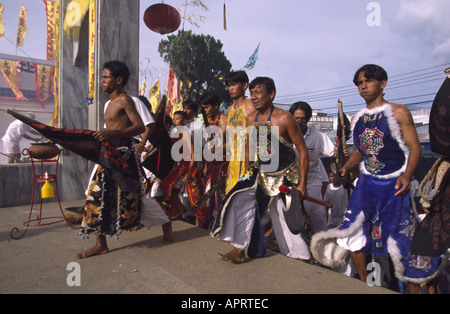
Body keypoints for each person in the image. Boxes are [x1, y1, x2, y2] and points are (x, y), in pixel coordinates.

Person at [310, 64, 444, 293]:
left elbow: (415, 148)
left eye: (368, 81)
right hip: (367, 184)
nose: (363, 86)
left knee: (403, 241)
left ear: (382, 84)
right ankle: (366, 286)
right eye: (360, 83)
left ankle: (418, 288)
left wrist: (407, 175)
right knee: (351, 234)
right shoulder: (359, 119)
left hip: (395, 184)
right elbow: (360, 151)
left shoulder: (399, 112)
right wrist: (348, 168)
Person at [211, 77, 310, 263]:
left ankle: (302, 255)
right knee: (242, 202)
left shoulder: (284, 118)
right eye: (252, 94)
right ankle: (239, 251)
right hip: (263, 173)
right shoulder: (251, 119)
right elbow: (249, 149)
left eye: (258, 93)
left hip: (286, 174)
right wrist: (246, 175)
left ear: (271, 94)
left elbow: (303, 150)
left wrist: (303, 185)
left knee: (286, 216)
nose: (254, 97)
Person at [76, 60, 146, 258]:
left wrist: (111, 134)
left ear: (118, 80)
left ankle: (165, 224)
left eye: (106, 77)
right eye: (103, 77)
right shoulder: (108, 104)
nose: (102, 81)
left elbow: (140, 127)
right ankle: (101, 243)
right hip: (107, 157)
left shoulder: (125, 100)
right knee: (96, 198)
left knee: (135, 203)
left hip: (122, 158)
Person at [289, 102, 335, 233]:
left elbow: (333, 152)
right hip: (290, 181)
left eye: (302, 118)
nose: (299, 121)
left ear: (308, 119)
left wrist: (341, 152)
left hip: (312, 180)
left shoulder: (318, 137)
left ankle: (323, 242)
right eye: (296, 118)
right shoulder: (284, 135)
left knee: (315, 210)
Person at [160, 111, 206, 224]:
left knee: (196, 197)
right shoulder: (174, 133)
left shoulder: (185, 133)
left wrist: (190, 171)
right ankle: (181, 208)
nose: (174, 121)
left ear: (184, 121)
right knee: (166, 186)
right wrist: (174, 167)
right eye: (174, 119)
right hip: (181, 166)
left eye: (177, 119)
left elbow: (194, 154)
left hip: (190, 166)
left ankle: (202, 221)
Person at [198, 91, 228, 228]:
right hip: (212, 164)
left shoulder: (224, 119)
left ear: (216, 106)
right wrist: (205, 165)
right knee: (209, 194)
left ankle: (222, 225)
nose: (205, 110)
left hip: (225, 164)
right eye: (203, 107)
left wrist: (216, 146)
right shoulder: (207, 121)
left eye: (207, 107)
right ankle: (213, 222)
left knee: (222, 195)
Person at [224, 71, 256, 193]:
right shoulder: (229, 110)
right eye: (229, 85)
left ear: (244, 85)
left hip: (250, 158)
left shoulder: (251, 105)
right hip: (234, 161)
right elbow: (232, 141)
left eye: (234, 85)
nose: (231, 89)